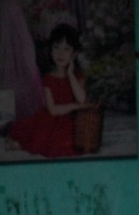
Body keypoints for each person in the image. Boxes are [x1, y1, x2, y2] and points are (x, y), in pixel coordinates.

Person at [7, 24, 96, 159]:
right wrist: (76, 106)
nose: (60, 53)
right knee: (42, 136)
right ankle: (20, 142)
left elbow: (82, 99)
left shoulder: (77, 75)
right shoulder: (48, 79)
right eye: (56, 48)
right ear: (50, 50)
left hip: (72, 120)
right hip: (52, 118)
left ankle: (20, 142)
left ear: (74, 53)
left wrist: (71, 74)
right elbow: (53, 110)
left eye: (66, 49)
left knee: (74, 139)